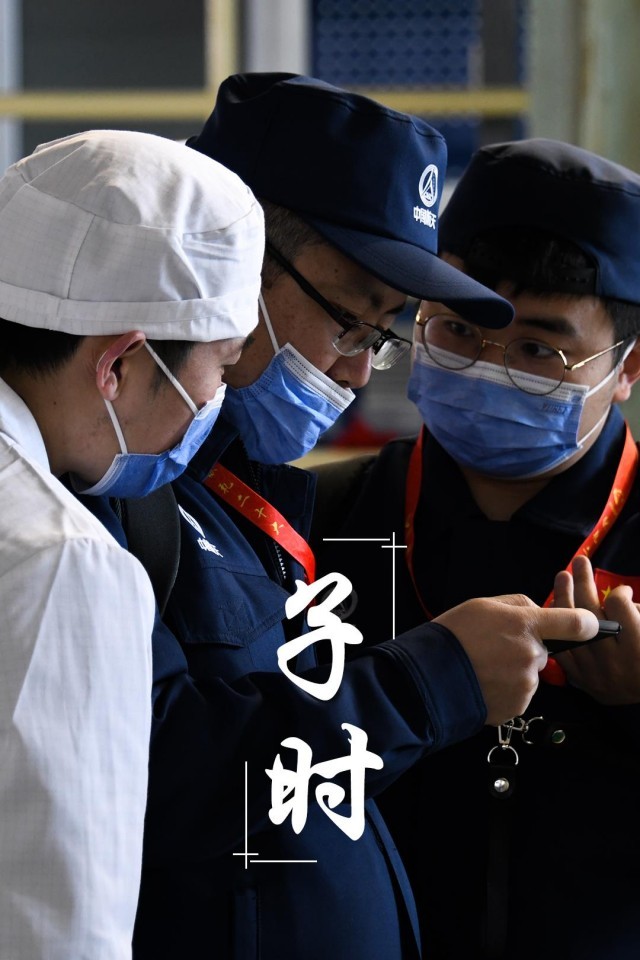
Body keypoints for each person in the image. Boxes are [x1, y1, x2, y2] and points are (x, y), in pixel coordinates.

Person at [115, 77, 598, 960]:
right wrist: (429, 683)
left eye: (383, 334)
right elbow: (157, 774)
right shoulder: (119, 479)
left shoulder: (250, 496)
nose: (356, 371)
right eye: (349, 318)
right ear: (228, 258)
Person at [315, 138, 640, 960]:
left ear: (627, 367)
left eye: (538, 350)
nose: (488, 368)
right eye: (457, 329)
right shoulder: (323, 519)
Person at [0, 128, 264, 959]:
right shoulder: (60, 559)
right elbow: (61, 925)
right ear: (119, 365)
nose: (216, 401)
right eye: (220, 368)